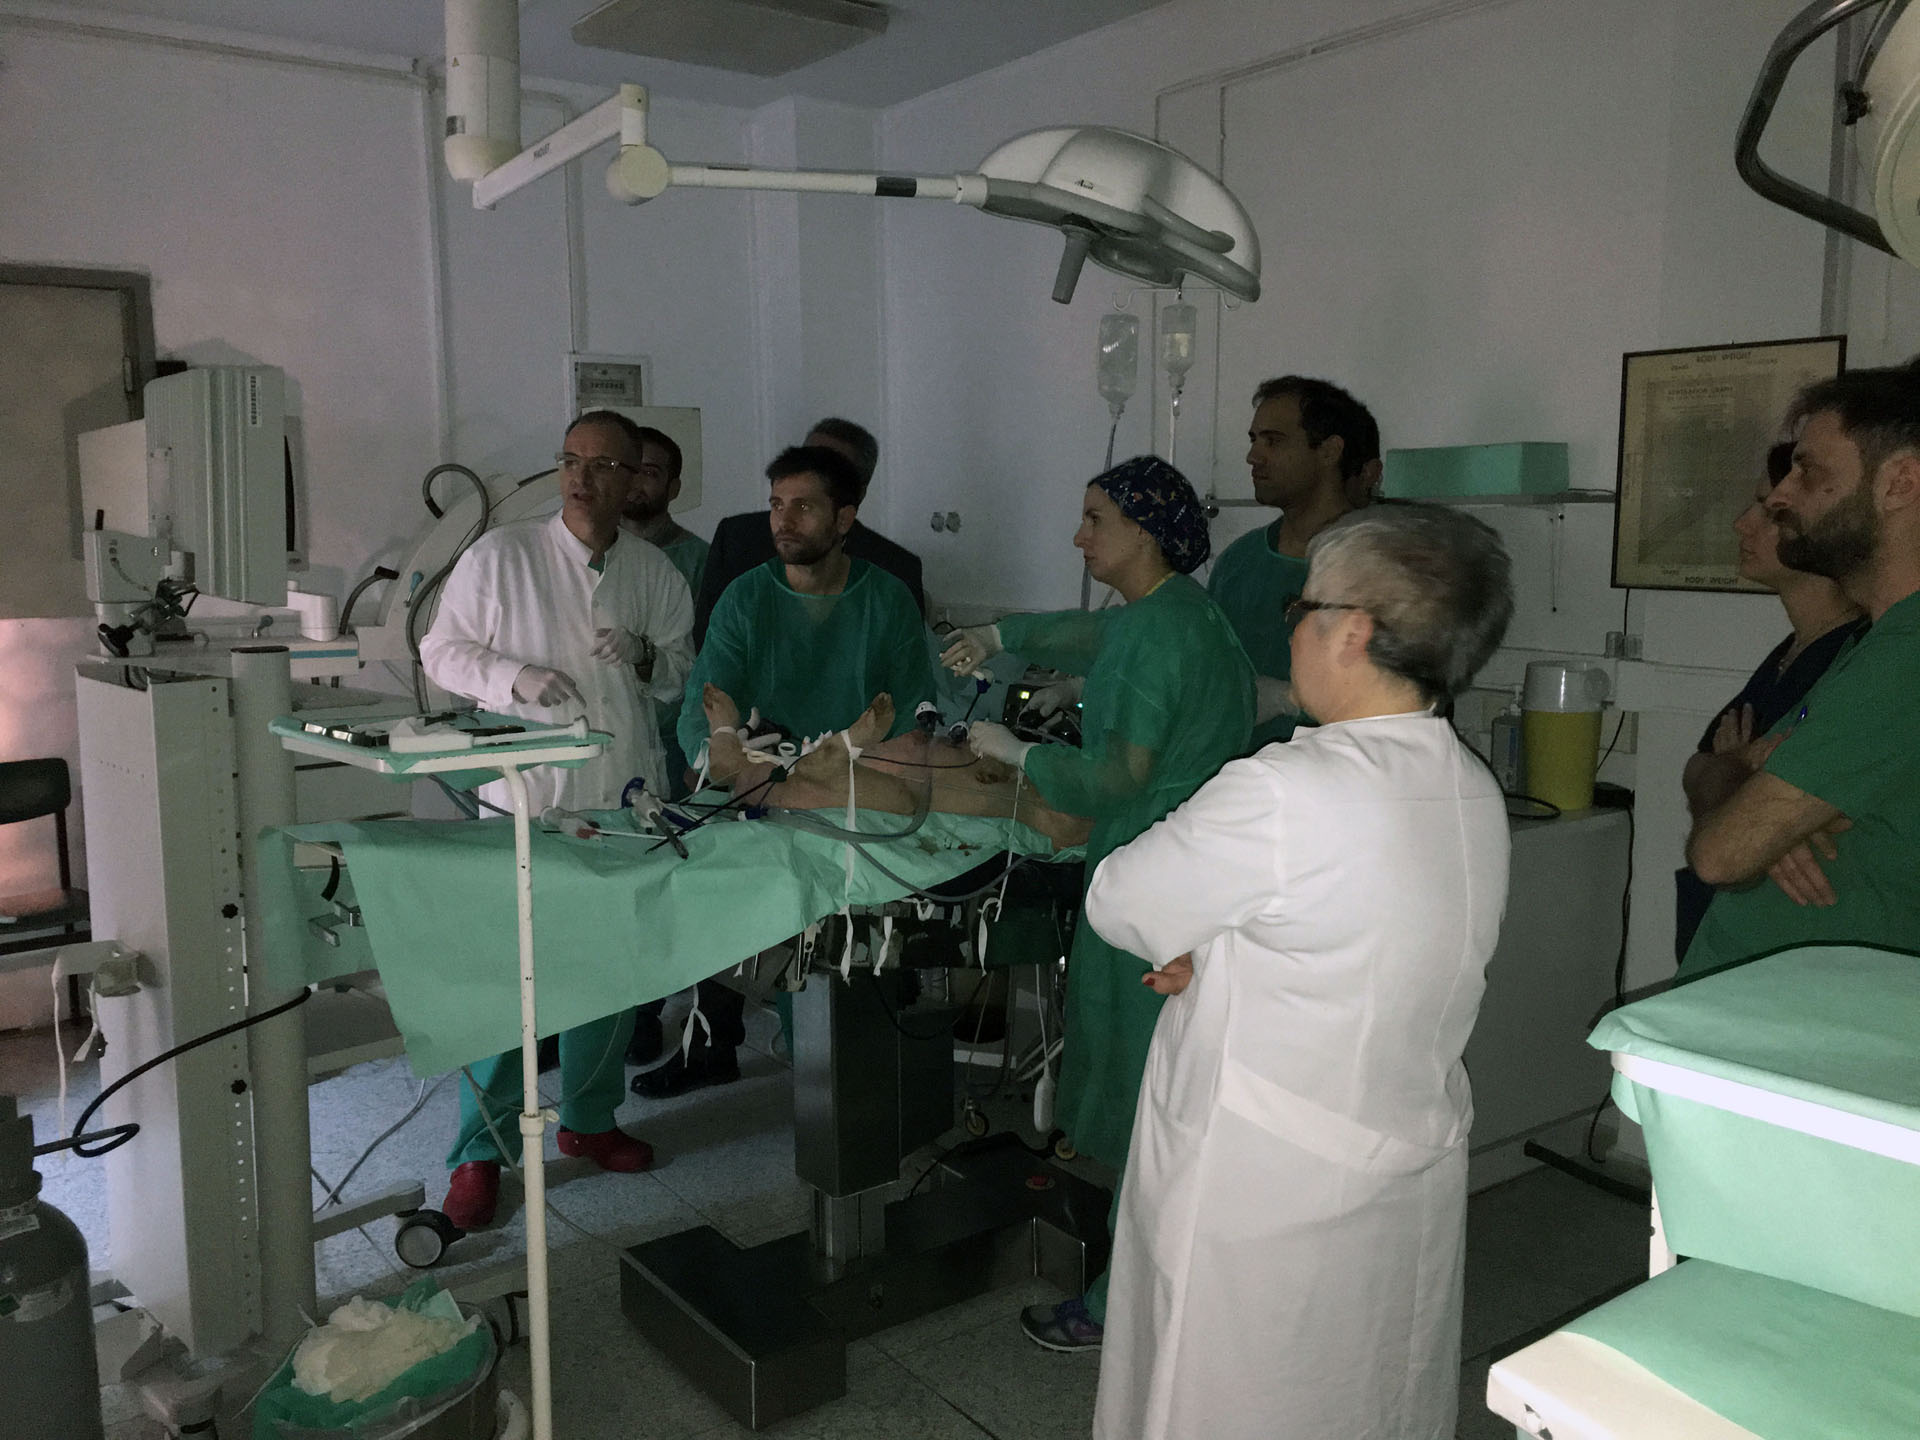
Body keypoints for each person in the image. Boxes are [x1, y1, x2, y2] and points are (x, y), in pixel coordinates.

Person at [1083, 502, 1515, 1440]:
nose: (1292, 630)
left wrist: (1198, 934)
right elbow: (1348, 935)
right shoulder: (1468, 784)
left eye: (1302, 609)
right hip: (1396, 1156)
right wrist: (1219, 943)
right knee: (1369, 1384)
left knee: (1233, 1391)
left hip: (1264, 1177)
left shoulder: (1286, 789)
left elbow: (1118, 898)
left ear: (1351, 631)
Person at [937, 455, 1255, 1352]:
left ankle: (1125, 1305)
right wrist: (1001, 635)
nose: (1078, 537)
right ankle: (1166, 1282)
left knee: (1151, 1096)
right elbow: (1094, 635)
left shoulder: (1159, 635)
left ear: (1144, 530)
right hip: (1189, 873)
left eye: (1094, 520)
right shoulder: (1177, 613)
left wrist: (1020, 752)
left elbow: (1117, 776)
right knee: (1167, 1089)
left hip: (1155, 883)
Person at [419, 409, 695, 1229]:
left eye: (603, 465)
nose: (581, 477)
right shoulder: (501, 557)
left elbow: (680, 671)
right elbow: (442, 651)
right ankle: (480, 1151)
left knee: (607, 975)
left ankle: (589, 1119)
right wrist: (514, 677)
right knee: (510, 985)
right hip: (524, 800)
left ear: (633, 479)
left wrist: (646, 657)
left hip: (620, 796)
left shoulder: (653, 572)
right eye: (571, 460)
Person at [634, 443, 937, 1097]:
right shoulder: (748, 598)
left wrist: (853, 767)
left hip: (853, 801)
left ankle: (844, 1081)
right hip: (759, 794)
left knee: (843, 968)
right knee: (731, 923)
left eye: (803, 506)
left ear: (845, 518)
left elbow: (914, 713)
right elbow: (704, 706)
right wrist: (722, 759)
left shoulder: (885, 600)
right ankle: (721, 1048)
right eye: (776, 504)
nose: (783, 520)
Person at [1684, 362, 1920, 979]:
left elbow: (1720, 855)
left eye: (1808, 471)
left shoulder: (1908, 654)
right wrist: (1755, 796)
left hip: (1807, 1022)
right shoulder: (1871, 644)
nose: (1780, 497)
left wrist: (1741, 783)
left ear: (1900, 483)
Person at [1672, 439, 1865, 960]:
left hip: (1798, 937)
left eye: (1769, 512)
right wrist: (1732, 779)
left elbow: (1737, 802)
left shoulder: (1855, 657)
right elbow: (1698, 768)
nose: (1742, 525)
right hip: (1726, 928)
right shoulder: (1789, 653)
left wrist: (1733, 787)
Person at [1208, 376, 1383, 750]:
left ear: (1329, 451)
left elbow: (1399, 701)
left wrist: (1289, 699)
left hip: (1341, 775)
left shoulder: (1383, 567)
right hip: (1235, 774)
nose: (1253, 456)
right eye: (1254, 440)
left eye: (1273, 441)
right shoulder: (1239, 563)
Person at [619, 424, 710, 1068]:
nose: (635, 482)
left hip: (675, 745)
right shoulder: (590, 557)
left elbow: (702, 665)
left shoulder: (699, 562)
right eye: (629, 468)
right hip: (607, 744)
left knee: (660, 883)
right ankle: (585, 1017)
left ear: (674, 486)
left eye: (651, 471)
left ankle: (645, 1013)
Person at [692, 417, 924, 644]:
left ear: (858, 494)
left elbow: (906, 661)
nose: (808, 476)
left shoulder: (895, 569)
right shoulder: (738, 539)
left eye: (828, 471)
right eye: (803, 462)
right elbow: (707, 641)